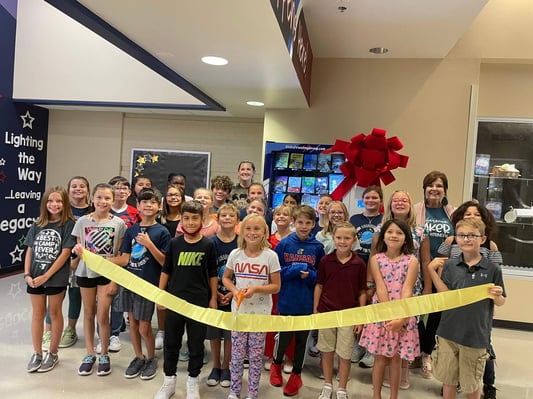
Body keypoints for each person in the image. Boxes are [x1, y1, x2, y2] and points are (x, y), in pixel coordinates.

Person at [428, 218, 506, 399]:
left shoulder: (492, 268)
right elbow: (445, 296)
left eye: (472, 235)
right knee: (449, 380)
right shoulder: (450, 265)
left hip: (475, 336)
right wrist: (431, 271)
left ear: (483, 239)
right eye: (461, 235)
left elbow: (500, 302)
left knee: (472, 383)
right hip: (448, 332)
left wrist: (498, 295)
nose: (466, 239)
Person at [154, 200, 218, 399]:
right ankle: (169, 380)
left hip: (198, 301)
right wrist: (160, 294)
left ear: (202, 220)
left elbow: (213, 273)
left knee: (196, 343)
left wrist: (213, 298)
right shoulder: (175, 243)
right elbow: (166, 270)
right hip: (175, 300)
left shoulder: (208, 244)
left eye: (195, 218)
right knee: (171, 342)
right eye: (186, 218)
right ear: (181, 220)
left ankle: (193, 381)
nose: (190, 222)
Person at [111, 188, 171, 380]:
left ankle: (151, 358)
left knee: (145, 326)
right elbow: (125, 259)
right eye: (144, 202)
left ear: (159, 207)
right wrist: (97, 259)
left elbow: (164, 262)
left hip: (148, 285)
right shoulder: (131, 230)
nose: (148, 205)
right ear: (138, 206)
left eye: (153, 202)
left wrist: (149, 244)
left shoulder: (162, 232)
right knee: (133, 325)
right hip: (130, 283)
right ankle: (139, 357)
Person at [222, 214, 281, 399]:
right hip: (239, 313)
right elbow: (225, 277)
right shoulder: (235, 254)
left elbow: (276, 286)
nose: (252, 233)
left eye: (257, 229)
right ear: (242, 230)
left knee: (255, 357)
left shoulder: (270, 256)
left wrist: (255, 289)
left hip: (260, 315)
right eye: (248, 228)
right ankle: (234, 391)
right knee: (237, 356)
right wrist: (234, 290)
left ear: (264, 231)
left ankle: (252, 393)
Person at [360, 219, 420, 399]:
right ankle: (376, 395)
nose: (394, 236)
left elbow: (407, 289)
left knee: (396, 359)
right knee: (379, 359)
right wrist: (388, 317)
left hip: (403, 314)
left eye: (399, 233)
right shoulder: (375, 259)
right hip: (382, 314)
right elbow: (380, 288)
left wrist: (401, 318)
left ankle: (394, 396)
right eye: (390, 232)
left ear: (406, 238)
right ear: (383, 236)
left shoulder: (412, 261)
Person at [270, 205, 325, 396]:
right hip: (286, 300)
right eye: (300, 222)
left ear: (313, 224)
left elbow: (320, 276)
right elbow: (275, 273)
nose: (303, 226)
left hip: (306, 302)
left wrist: (309, 275)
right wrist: (294, 270)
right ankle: (276, 365)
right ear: (293, 222)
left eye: (308, 223)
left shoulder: (318, 248)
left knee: (302, 340)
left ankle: (297, 375)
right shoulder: (284, 244)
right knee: (283, 338)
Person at [72, 183, 126, 376]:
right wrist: (77, 251)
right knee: (88, 313)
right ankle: (89, 353)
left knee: (103, 315)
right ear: (92, 199)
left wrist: (114, 280)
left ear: (113, 201)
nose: (103, 201)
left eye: (107, 198)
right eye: (99, 197)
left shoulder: (119, 224)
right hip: (85, 273)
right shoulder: (82, 222)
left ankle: (104, 353)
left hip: (107, 274)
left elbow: (119, 254)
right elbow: (79, 249)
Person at [25, 186, 76, 373]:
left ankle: (52, 353)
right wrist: (27, 275)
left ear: (65, 204)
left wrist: (47, 275)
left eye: (59, 201)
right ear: (45, 203)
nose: (54, 205)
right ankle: (37, 353)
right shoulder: (37, 225)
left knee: (54, 314)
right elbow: (29, 250)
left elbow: (65, 253)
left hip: (56, 278)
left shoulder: (69, 224)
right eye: (51, 201)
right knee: (37, 314)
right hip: (34, 278)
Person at [314, 222, 367, 399]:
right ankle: (327, 385)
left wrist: (360, 317)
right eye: (339, 238)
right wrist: (316, 311)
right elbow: (319, 286)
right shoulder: (325, 260)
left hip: (349, 314)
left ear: (354, 240)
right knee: (327, 351)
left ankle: (342, 388)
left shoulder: (359, 263)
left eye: (347, 238)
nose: (342, 241)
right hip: (327, 312)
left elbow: (362, 292)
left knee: (345, 354)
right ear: (333, 238)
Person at [42, 176, 93, 351]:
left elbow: (89, 240)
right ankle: (48, 330)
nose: (78, 189)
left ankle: (70, 329)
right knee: (55, 296)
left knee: (75, 294)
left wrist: (77, 259)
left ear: (88, 189)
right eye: (73, 186)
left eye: (82, 186)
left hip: (80, 261)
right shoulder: (60, 208)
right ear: (68, 189)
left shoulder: (93, 210)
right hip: (58, 260)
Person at [414, 171, 456, 379]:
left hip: (443, 271)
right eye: (430, 185)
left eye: (439, 186)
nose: (434, 189)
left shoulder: (452, 212)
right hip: (417, 268)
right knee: (415, 311)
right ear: (424, 189)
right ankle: (417, 346)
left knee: (436, 314)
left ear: (445, 190)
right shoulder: (416, 210)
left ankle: (426, 353)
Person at [104, 175, 142, 354]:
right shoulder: (103, 210)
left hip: (125, 260)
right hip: (103, 262)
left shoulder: (135, 213)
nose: (121, 191)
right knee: (102, 300)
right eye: (117, 187)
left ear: (129, 192)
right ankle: (103, 333)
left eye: (125, 188)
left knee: (119, 299)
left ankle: (115, 333)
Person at [348, 186, 383, 366]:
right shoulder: (354, 219)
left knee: (372, 306)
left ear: (381, 201)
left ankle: (371, 347)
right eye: (367, 197)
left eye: (375, 198)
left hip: (377, 269)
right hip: (357, 267)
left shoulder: (384, 220)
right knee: (358, 306)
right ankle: (358, 344)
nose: (371, 200)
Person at [206, 203, 240, 388]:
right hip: (214, 294)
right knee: (214, 333)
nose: (227, 218)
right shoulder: (211, 242)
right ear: (217, 220)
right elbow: (207, 271)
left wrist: (233, 293)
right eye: (223, 215)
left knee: (230, 334)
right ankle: (216, 366)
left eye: (231, 216)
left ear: (237, 220)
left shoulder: (241, 242)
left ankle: (226, 366)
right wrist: (216, 293)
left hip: (236, 296)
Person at [264, 204, 295, 372]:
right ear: (274, 217)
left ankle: (289, 357)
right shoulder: (268, 239)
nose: (281, 217)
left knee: (288, 321)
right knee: (273, 319)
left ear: (292, 219)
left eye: (285, 214)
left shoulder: (295, 238)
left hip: (290, 285)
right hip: (272, 285)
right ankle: (271, 355)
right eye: (278, 214)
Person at [155, 184, 185, 350]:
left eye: (177, 195)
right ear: (165, 198)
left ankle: (179, 334)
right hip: (161, 261)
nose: (173, 198)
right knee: (162, 296)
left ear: (182, 198)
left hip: (181, 263)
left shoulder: (186, 217)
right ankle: (161, 330)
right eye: (170, 195)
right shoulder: (159, 218)